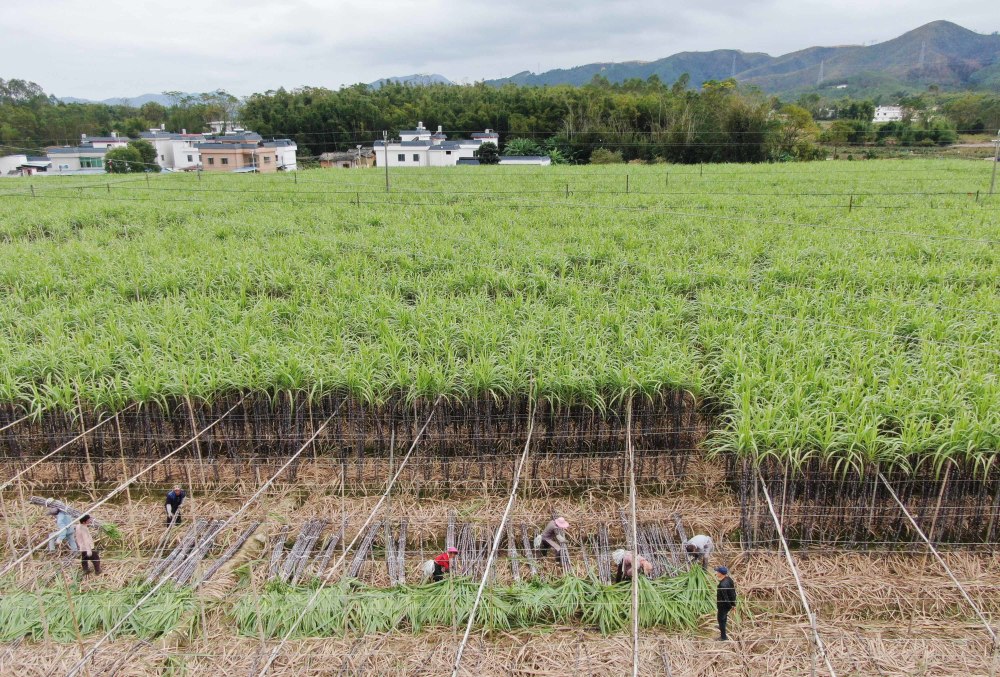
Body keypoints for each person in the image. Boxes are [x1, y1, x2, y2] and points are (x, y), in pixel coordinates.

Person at [715, 566, 737, 640]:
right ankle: (722, 626)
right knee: (722, 617)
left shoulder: (722, 585)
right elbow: (732, 592)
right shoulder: (729, 579)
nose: (716, 573)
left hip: (723, 605)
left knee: (721, 619)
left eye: (717, 572)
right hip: (728, 603)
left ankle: (723, 637)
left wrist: (730, 606)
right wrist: (733, 604)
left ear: (721, 574)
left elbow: (725, 598)